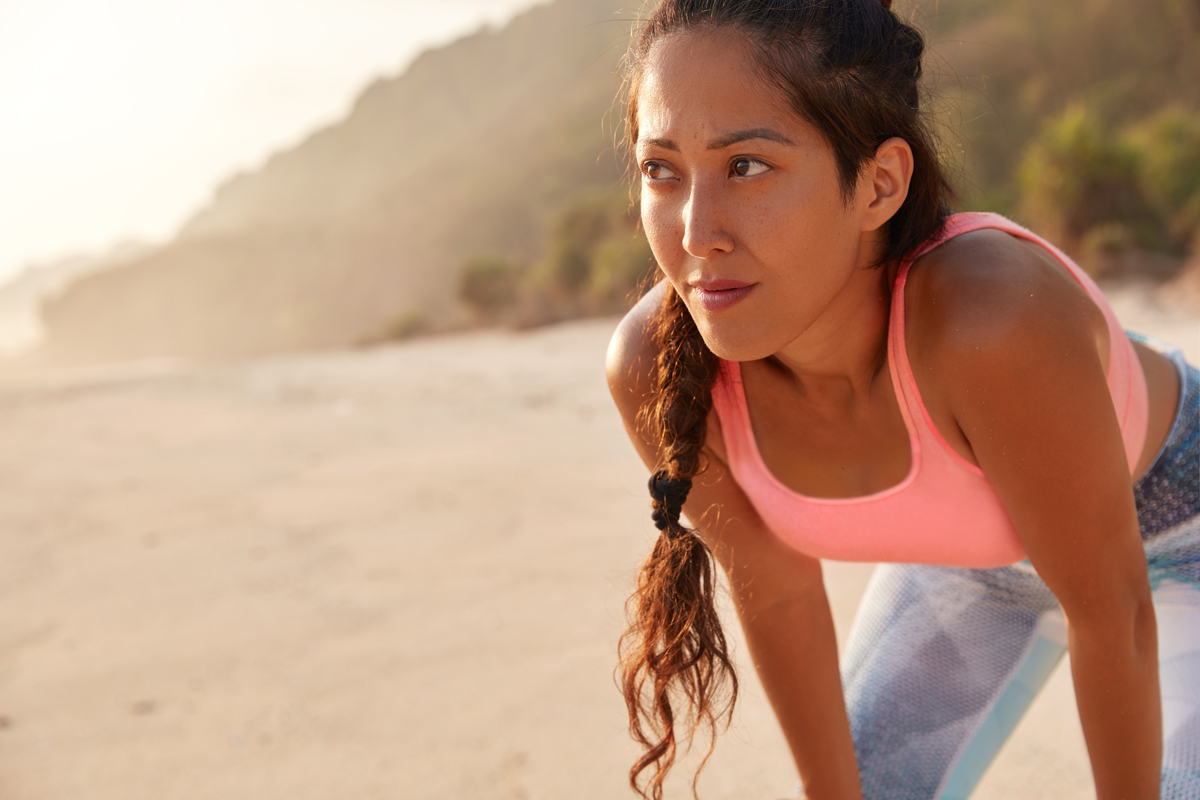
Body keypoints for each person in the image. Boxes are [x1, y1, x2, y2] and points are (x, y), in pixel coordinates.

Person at [603, 0, 1200, 798]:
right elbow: (779, 596)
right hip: (971, 573)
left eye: (747, 165)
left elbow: (1114, 614)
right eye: (661, 169)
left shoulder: (990, 320)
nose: (695, 232)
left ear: (879, 184)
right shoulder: (657, 366)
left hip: (1181, 527)